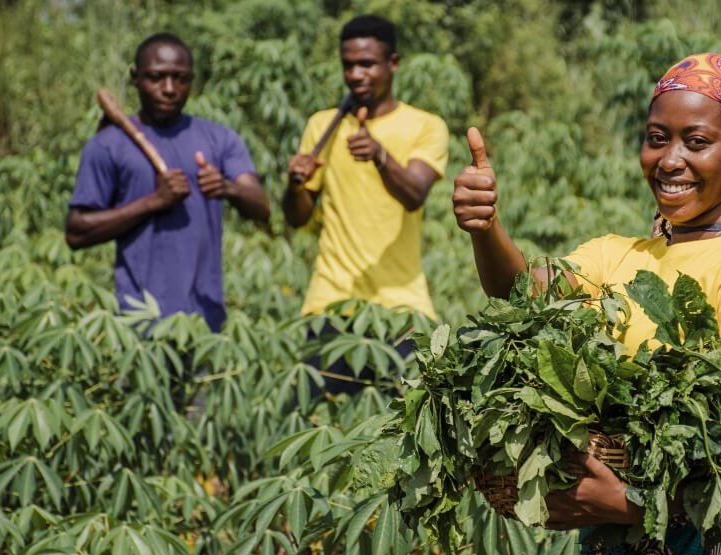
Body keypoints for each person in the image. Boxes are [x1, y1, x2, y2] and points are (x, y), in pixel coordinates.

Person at [453, 53, 721, 555]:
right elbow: (520, 295)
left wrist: (628, 504)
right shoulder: (616, 255)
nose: (669, 160)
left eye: (697, 142)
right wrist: (486, 227)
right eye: (657, 138)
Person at [282, 15, 448, 393]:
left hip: (403, 305)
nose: (356, 74)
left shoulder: (425, 125)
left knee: (405, 433)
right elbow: (297, 217)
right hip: (331, 301)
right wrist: (294, 184)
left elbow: (415, 194)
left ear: (393, 63)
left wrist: (380, 156)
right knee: (325, 424)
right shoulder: (323, 126)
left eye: (367, 64)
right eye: (348, 65)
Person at [66, 32, 270, 334]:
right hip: (138, 323)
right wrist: (153, 202)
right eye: (156, 78)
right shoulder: (107, 145)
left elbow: (261, 207)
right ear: (135, 78)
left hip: (207, 323)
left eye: (180, 78)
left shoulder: (219, 139)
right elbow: (76, 231)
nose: (169, 89)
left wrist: (228, 188)